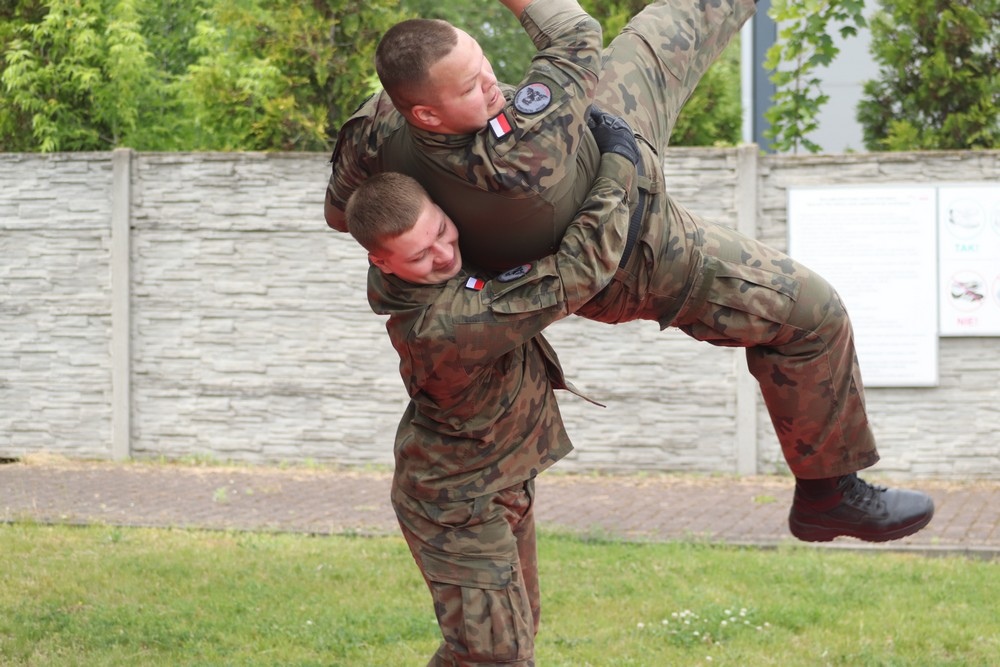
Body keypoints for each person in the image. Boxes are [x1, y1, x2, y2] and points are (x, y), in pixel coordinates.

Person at [324, 0, 934, 544]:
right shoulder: (518, 151)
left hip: (600, 119)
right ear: (427, 114)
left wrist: (447, 227)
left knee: (683, 16)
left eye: (484, 67)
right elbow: (574, 33)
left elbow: (341, 211)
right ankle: (829, 494)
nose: (492, 85)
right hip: (633, 243)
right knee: (812, 312)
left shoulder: (378, 124)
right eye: (470, 87)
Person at [345, 133, 639, 665]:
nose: (444, 253)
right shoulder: (446, 326)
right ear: (382, 262)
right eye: (419, 254)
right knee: (497, 655)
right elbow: (575, 274)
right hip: (456, 501)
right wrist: (618, 162)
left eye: (440, 230)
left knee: (500, 644)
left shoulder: (439, 273)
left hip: (500, 480)